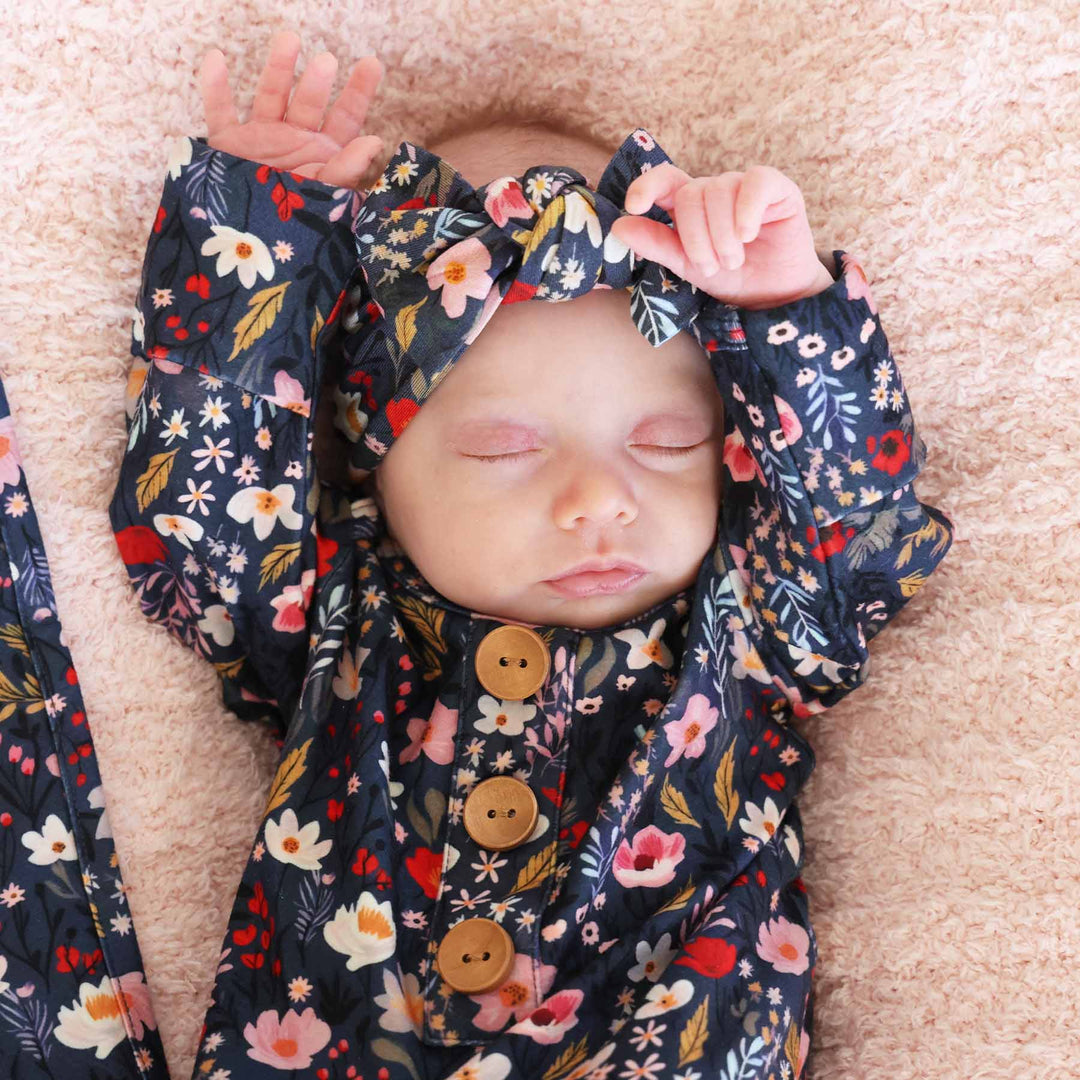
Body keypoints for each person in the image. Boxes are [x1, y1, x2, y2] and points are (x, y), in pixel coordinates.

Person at [108, 27, 954, 1080]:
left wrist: (781, 310)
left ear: (731, 447)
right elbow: (198, 520)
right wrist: (253, 243)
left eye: (665, 440)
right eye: (502, 447)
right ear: (376, 467)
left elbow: (860, 533)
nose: (600, 498)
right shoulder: (332, 617)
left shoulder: (754, 624)